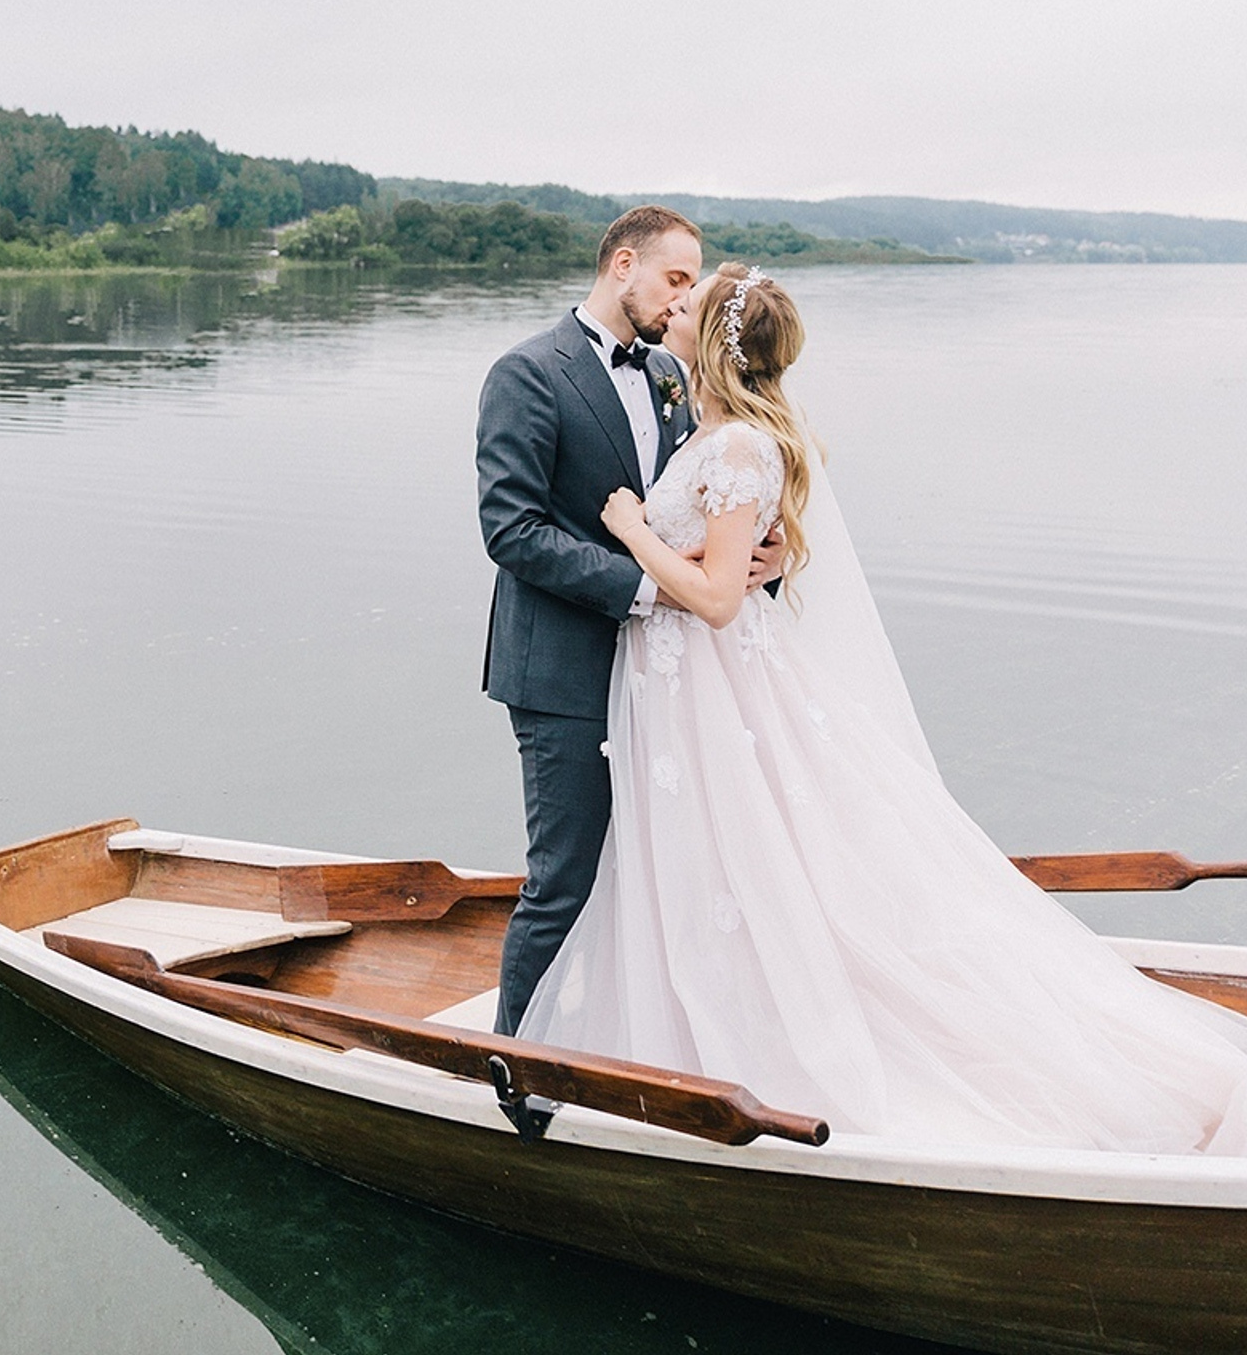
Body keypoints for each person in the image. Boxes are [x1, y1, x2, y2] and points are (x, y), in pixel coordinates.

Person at [518, 262, 1247, 1153]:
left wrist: (635, 531)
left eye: (694, 295)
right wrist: (759, 554)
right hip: (678, 690)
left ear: (710, 338)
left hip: (708, 686)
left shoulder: (737, 442)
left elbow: (716, 596)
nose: (678, 301)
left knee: (742, 860)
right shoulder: (697, 416)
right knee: (700, 865)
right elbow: (738, 554)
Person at [476, 206, 782, 1036]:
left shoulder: (673, 375)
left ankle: (635, 1043)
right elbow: (510, 530)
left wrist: (770, 558)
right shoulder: (527, 373)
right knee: (565, 880)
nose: (684, 298)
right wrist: (649, 588)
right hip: (565, 670)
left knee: (664, 871)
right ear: (622, 265)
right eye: (675, 279)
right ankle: (518, 1068)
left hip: (673, 682)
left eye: (694, 284)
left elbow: (715, 505)